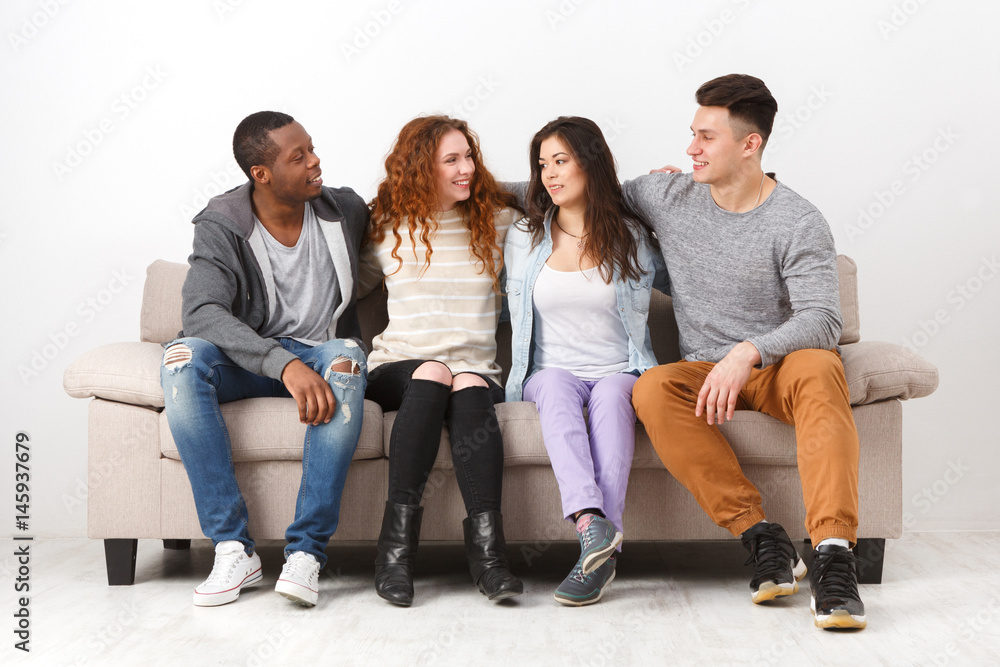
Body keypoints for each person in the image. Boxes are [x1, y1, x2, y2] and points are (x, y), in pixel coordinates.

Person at [626, 74, 867, 630]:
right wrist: (463, 186)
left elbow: (823, 318)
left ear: (750, 144)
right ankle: (762, 538)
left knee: (820, 368)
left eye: (706, 138)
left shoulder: (797, 218)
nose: (690, 149)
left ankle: (833, 556)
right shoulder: (668, 195)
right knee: (652, 387)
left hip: (778, 367)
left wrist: (750, 351)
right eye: (692, 135)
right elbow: (573, 185)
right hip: (701, 372)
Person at [161, 111, 369, 608]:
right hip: (251, 361)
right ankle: (233, 548)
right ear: (263, 174)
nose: (315, 162)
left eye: (312, 148)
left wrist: (543, 183)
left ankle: (307, 553)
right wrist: (282, 364)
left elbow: (422, 194)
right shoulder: (223, 224)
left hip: (322, 356)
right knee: (180, 358)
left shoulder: (343, 210)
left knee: (346, 358)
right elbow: (201, 311)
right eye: (299, 157)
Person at [359, 115, 523, 607]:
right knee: (433, 372)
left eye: (469, 156)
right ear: (418, 169)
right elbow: (343, 288)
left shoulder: (500, 221)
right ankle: (395, 554)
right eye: (451, 160)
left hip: (474, 372)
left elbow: (562, 190)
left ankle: (491, 560)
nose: (467, 168)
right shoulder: (385, 226)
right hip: (399, 368)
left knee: (466, 380)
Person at [503, 117, 666, 606]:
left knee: (617, 395)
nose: (550, 174)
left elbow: (696, 280)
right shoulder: (523, 236)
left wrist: (678, 191)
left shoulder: (633, 235)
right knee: (553, 386)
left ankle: (598, 556)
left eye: (561, 161)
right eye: (542, 165)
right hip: (550, 371)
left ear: (589, 164)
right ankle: (594, 525)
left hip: (620, 367)